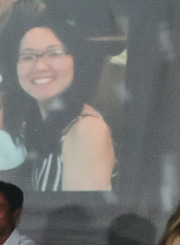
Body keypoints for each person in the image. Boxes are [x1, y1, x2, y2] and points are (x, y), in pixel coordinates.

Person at [7, 17, 114, 192]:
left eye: (54, 53)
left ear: (76, 60)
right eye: (28, 56)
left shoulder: (88, 133)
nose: (40, 66)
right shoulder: (36, 114)